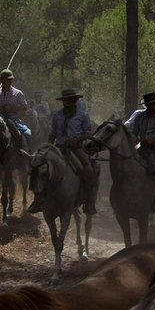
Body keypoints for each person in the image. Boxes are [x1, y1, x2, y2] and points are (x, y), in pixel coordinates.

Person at [48, 85, 98, 215]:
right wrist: (48, 147)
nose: (67, 102)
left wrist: (77, 139)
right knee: (41, 167)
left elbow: (88, 133)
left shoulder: (82, 115)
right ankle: (40, 199)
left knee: (88, 170)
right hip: (59, 147)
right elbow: (52, 133)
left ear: (74, 100)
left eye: (70, 99)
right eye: (65, 100)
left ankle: (89, 201)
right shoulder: (57, 116)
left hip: (76, 148)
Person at [124, 91, 155, 213]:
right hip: (143, 149)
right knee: (128, 168)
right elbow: (134, 133)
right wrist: (132, 141)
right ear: (148, 105)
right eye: (154, 102)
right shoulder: (140, 118)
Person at [0, 69, 31, 150]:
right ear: (1, 80)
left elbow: (25, 107)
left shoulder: (17, 93)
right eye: (7, 79)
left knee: (27, 133)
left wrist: (13, 108)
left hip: (13, 119)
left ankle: (28, 154)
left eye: (11, 79)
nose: (10, 81)